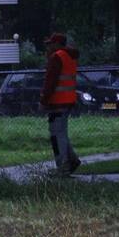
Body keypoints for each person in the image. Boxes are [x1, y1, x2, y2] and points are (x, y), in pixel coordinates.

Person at [40, 32, 82, 177]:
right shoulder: (70, 56)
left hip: (57, 102)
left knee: (56, 136)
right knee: (61, 134)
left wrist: (44, 101)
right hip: (68, 100)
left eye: (51, 43)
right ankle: (72, 161)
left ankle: (63, 168)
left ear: (57, 44)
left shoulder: (56, 57)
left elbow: (50, 82)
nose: (48, 46)